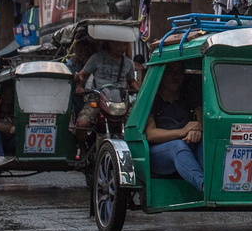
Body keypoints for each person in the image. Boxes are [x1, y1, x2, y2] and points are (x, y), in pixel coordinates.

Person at [143, 60, 203, 192]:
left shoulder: (188, 95)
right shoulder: (152, 99)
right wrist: (183, 131)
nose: (175, 76)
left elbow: (201, 120)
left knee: (204, 141)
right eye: (171, 72)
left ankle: (215, 180)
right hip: (158, 154)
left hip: (188, 144)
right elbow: (151, 134)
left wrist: (197, 128)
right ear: (162, 74)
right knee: (177, 145)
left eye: (179, 72)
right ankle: (204, 185)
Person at [73, 39, 137, 145]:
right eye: (117, 44)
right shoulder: (96, 58)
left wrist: (139, 91)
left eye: (124, 45)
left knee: (136, 124)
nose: (121, 48)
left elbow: (132, 82)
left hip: (121, 100)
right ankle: (83, 150)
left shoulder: (129, 63)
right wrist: (79, 86)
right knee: (82, 124)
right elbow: (82, 75)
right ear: (110, 44)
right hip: (97, 98)